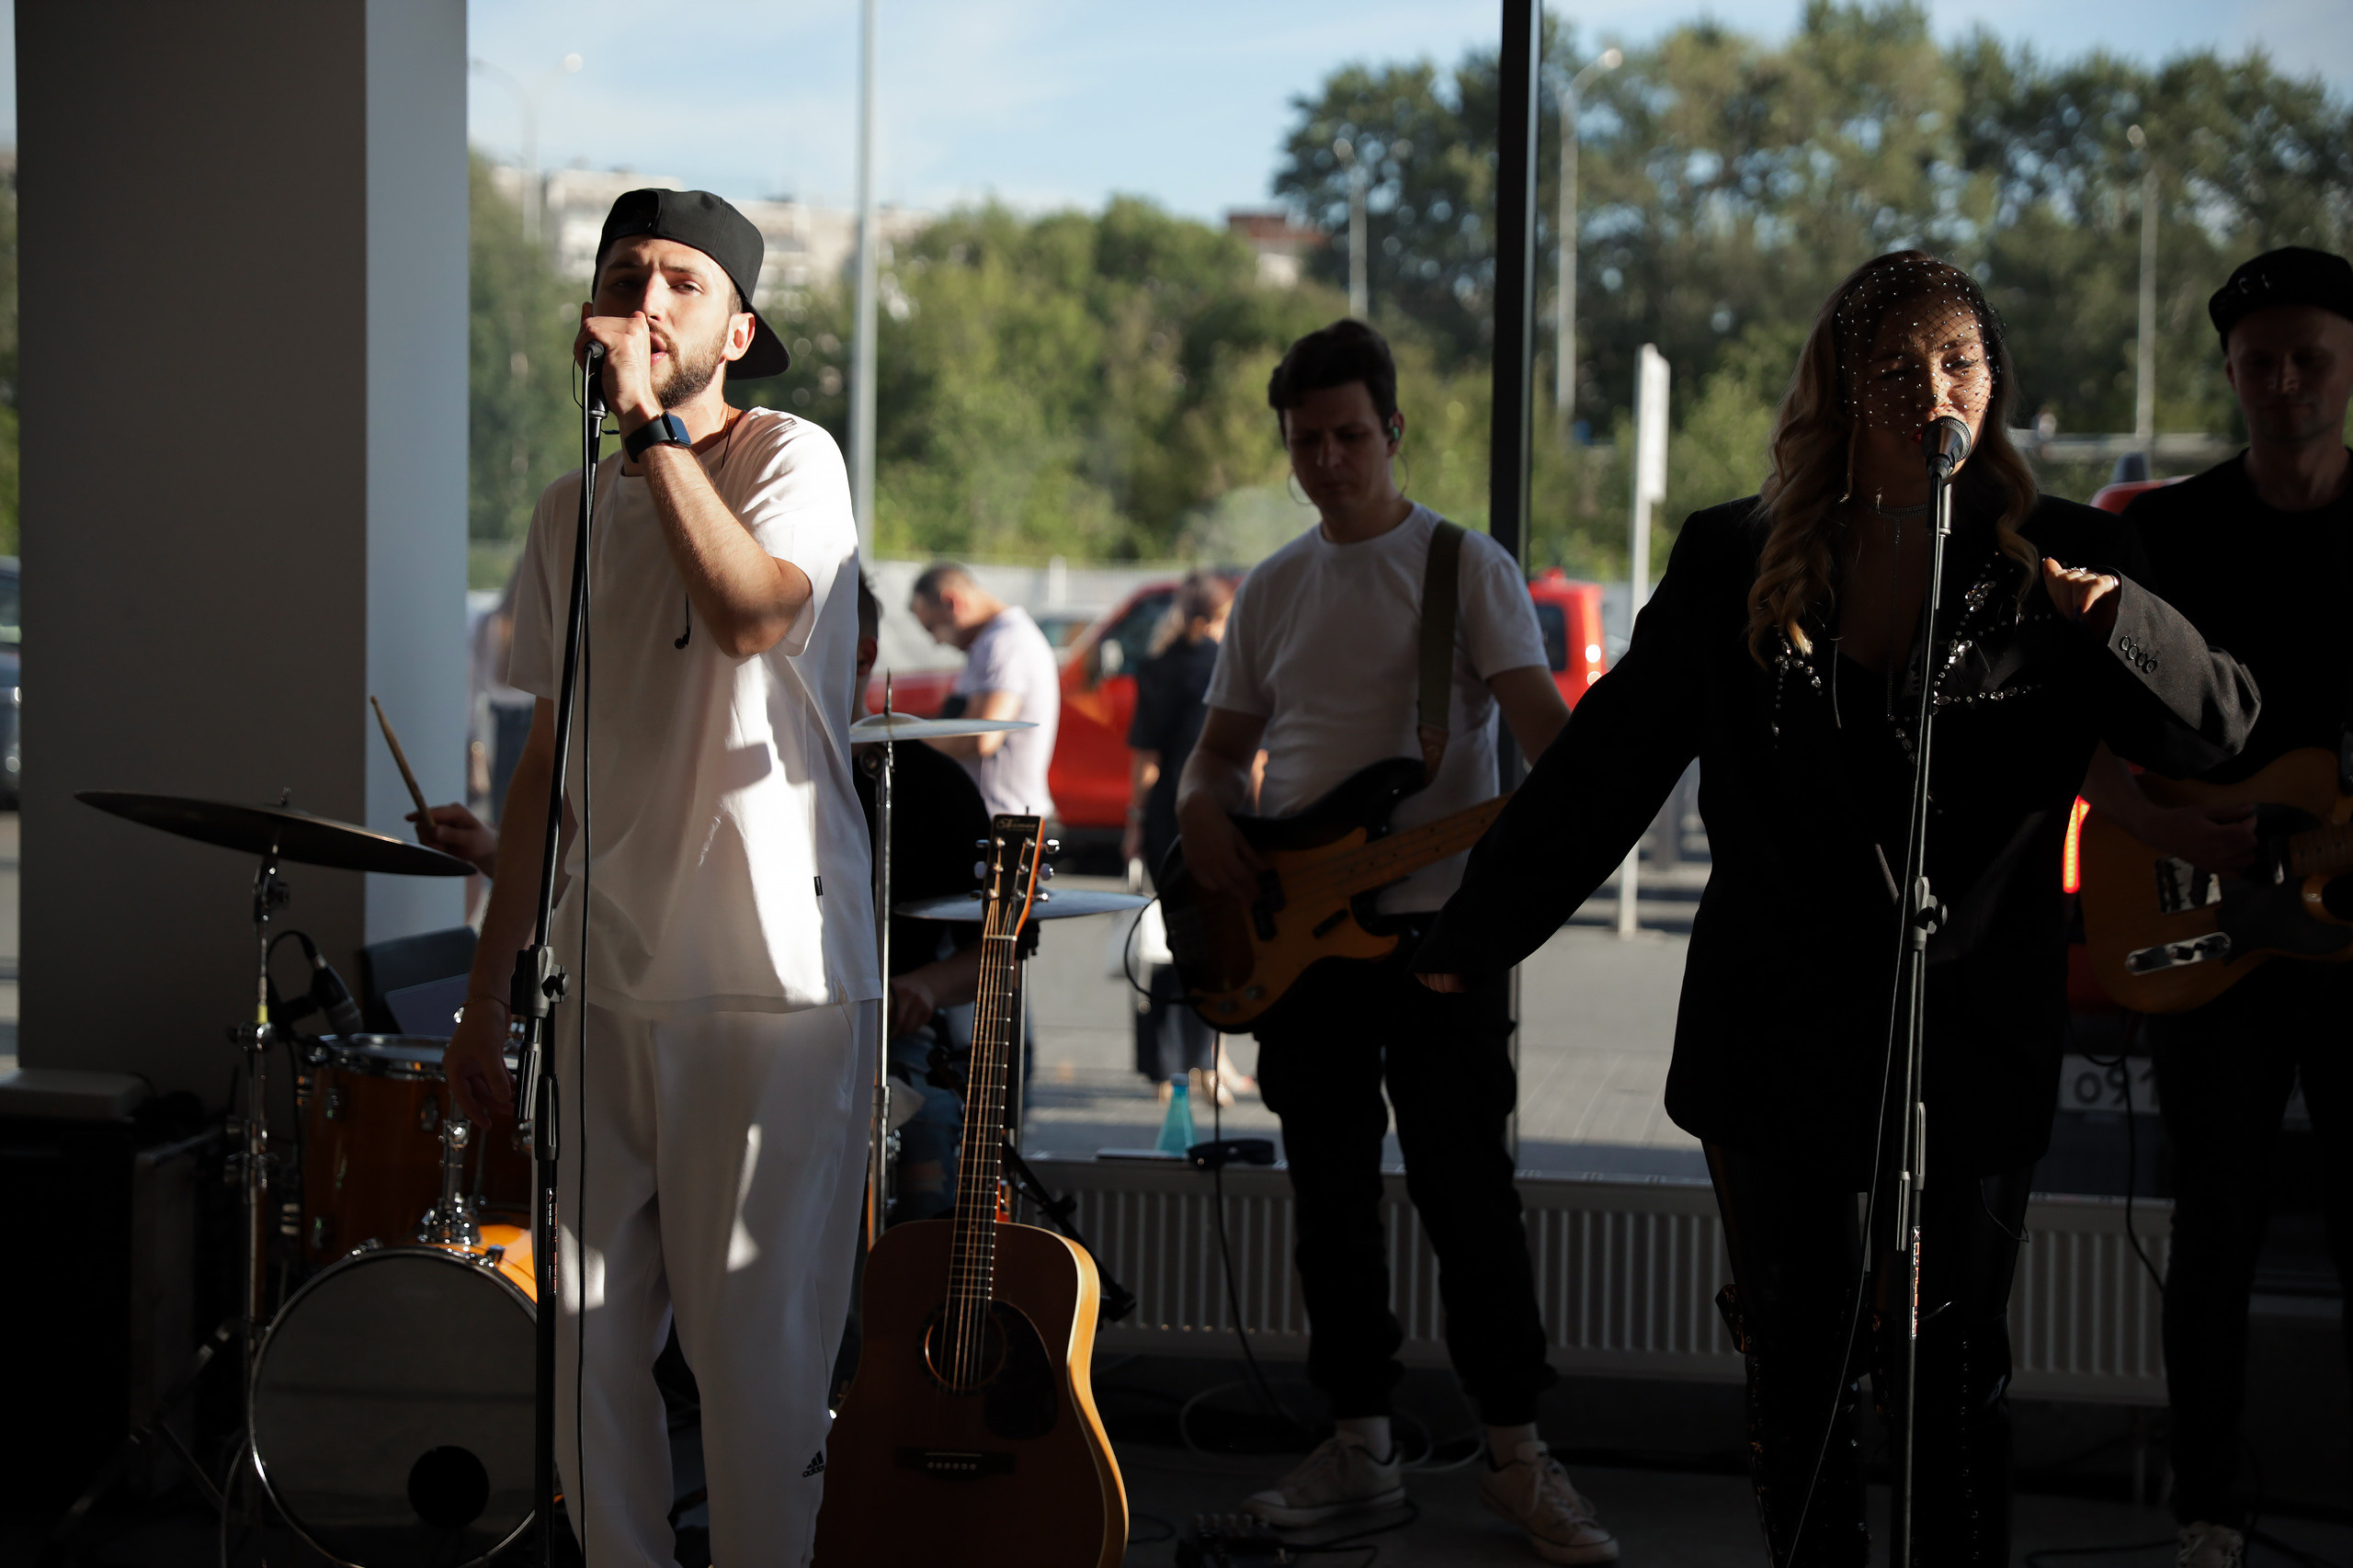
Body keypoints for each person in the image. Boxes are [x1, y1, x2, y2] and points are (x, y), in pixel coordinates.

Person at [1411, 254, 2258, 1567]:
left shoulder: (2070, 559)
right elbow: (1608, 765)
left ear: (1994, 380)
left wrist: (2125, 624)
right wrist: (1473, 936)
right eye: (1897, 367)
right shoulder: (1735, 556)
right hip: (1773, 1023)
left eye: (1959, 362)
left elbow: (2215, 734)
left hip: (1971, 1028)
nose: (1935, 391)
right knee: (1796, 1370)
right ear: (1842, 389)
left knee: (1951, 1372)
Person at [436, 187, 879, 1566]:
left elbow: (750, 611)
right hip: (598, 976)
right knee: (581, 1344)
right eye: (625, 273)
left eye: (683, 281)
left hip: (765, 977)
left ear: (737, 332)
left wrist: (648, 426)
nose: (645, 300)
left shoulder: (790, 456)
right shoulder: (568, 511)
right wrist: (486, 989)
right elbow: (543, 767)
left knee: (753, 1354)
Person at [1174, 320, 1609, 1562]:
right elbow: (1218, 752)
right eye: (1306, 441)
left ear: (1395, 432)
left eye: (1350, 436)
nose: (1328, 461)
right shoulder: (1272, 586)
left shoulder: (1463, 567)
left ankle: (1517, 1452)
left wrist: (1576, 814)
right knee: (1330, 1200)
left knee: (1468, 1195)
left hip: (1439, 940)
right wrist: (1200, 807)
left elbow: (1547, 739)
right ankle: (1356, 1441)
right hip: (1299, 942)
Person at [2078, 246, 2353, 1568]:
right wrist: (2160, 824)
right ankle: (2208, 1513)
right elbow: (2072, 724)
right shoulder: (2168, 533)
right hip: (2206, 916)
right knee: (2214, 1229)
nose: (2284, 382)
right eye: (2260, 362)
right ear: (2231, 371)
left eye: (2310, 358)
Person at [850, 570, 990, 1221]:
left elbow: (1000, 946)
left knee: (924, 1119)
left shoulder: (932, 787)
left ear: (862, 655)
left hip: (889, 1042)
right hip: (753, 1041)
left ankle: (911, 1275)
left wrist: (926, 986)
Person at [1126, 568, 1247, 1099]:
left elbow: (1146, 761)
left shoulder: (1158, 666)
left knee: (1172, 936)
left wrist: (1133, 822)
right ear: (1222, 614)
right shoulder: (1230, 667)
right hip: (1218, 812)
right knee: (1217, 939)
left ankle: (1165, 1065)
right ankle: (1209, 1059)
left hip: (1164, 816)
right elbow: (1252, 757)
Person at [908, 562, 1063, 818]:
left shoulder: (1006, 642)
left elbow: (982, 737)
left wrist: (908, 742)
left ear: (952, 602)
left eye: (932, 627)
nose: (936, 641)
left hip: (1004, 822)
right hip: (999, 817)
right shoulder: (994, 640)